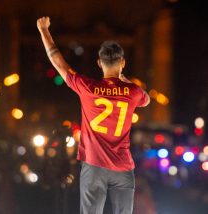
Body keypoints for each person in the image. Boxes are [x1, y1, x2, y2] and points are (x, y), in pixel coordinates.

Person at [37, 16, 150, 214]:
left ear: (99, 63)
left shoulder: (87, 88)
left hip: (94, 165)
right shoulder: (133, 92)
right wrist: (126, 81)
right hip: (123, 167)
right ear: (122, 62)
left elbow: (58, 63)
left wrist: (44, 30)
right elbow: (147, 99)